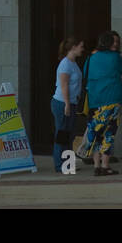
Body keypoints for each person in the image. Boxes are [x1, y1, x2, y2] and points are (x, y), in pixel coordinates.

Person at [85, 30, 122, 175]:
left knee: (96, 133)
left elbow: (85, 73)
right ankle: (105, 165)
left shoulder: (91, 57)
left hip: (94, 99)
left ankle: (96, 165)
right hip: (112, 99)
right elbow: (121, 70)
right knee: (109, 132)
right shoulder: (115, 57)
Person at [51, 37, 84, 173]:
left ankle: (68, 164)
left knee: (69, 134)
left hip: (72, 102)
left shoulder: (73, 63)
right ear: (73, 47)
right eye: (81, 46)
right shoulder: (65, 64)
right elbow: (64, 85)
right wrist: (66, 104)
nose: (82, 49)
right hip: (62, 102)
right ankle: (60, 165)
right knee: (62, 133)